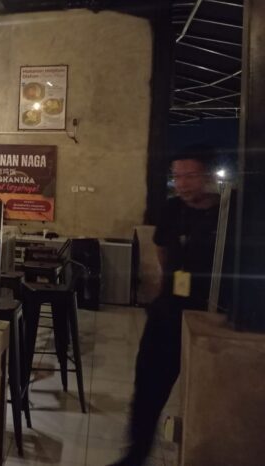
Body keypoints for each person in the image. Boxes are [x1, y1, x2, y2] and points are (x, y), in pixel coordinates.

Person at [111, 146, 222, 466]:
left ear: (209, 176)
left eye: (190, 176)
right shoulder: (172, 209)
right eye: (177, 177)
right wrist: (166, 286)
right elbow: (161, 249)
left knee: (208, 396)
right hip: (169, 312)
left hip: (211, 314)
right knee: (147, 386)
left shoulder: (228, 212)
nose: (182, 184)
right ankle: (135, 455)